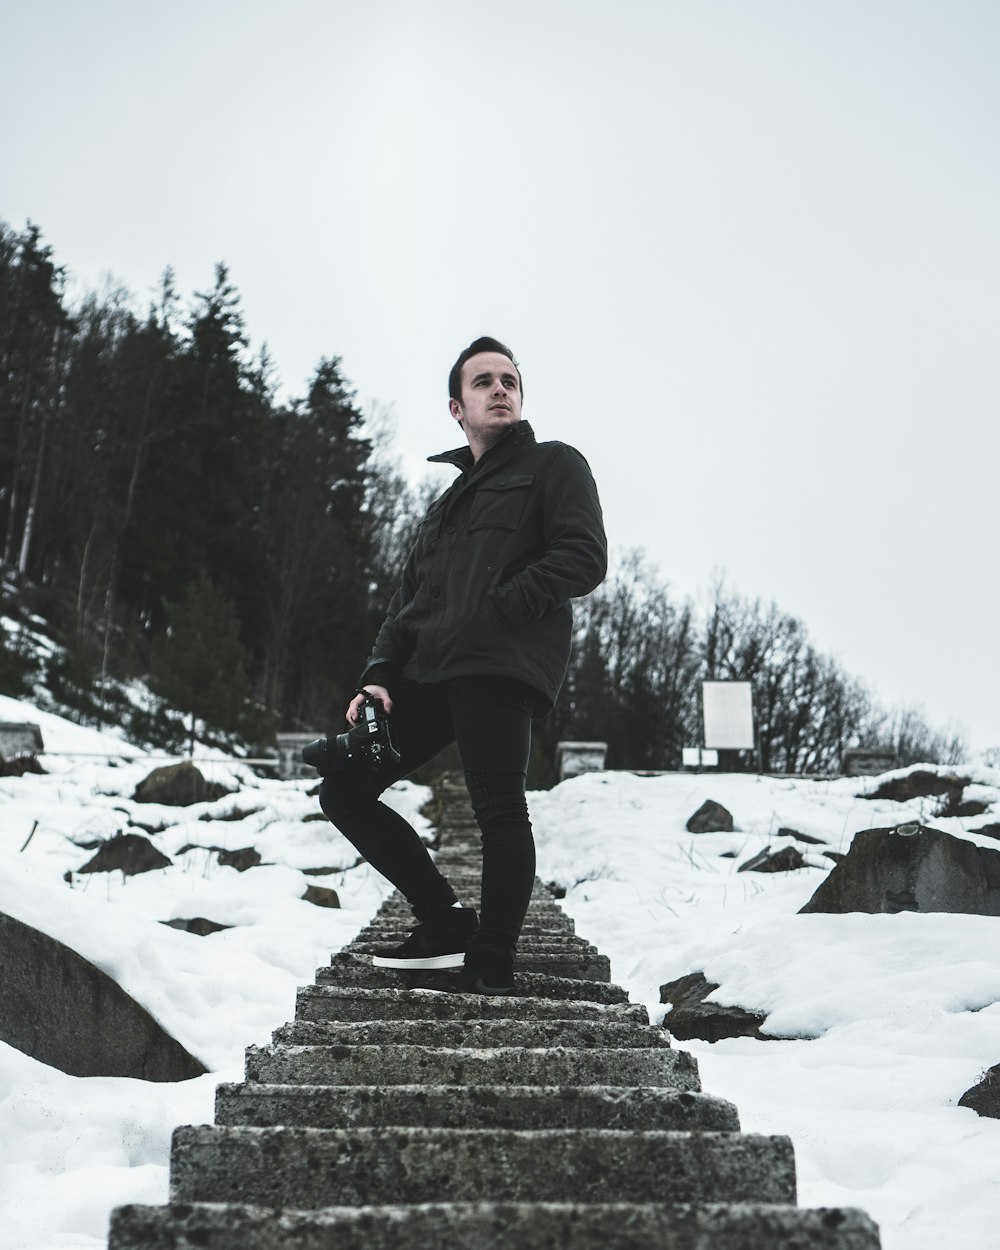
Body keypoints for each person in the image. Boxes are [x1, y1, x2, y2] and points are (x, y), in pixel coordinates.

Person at [318, 336, 607, 993]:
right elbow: (407, 604)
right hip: (430, 673)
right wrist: (378, 676)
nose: (500, 389)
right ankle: (443, 920)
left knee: (499, 807)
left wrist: (499, 609)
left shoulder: (554, 465)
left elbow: (583, 556)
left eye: (509, 380)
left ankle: (491, 959)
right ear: (458, 406)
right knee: (342, 789)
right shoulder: (443, 508)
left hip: (500, 663)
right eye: (484, 382)